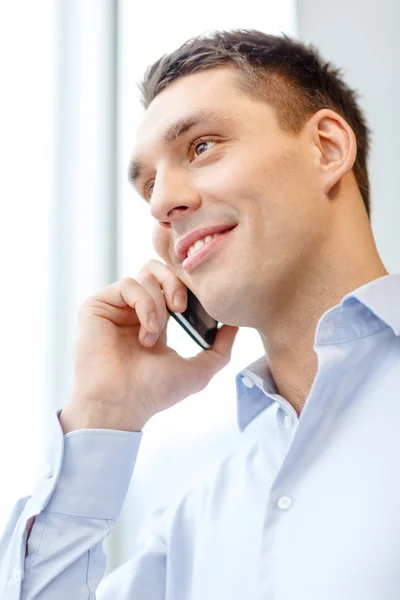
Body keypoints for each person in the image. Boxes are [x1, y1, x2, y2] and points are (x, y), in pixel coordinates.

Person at [0, 28, 399, 600]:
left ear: (327, 149)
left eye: (202, 146)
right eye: (148, 187)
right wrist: (100, 415)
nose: (162, 203)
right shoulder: (191, 518)